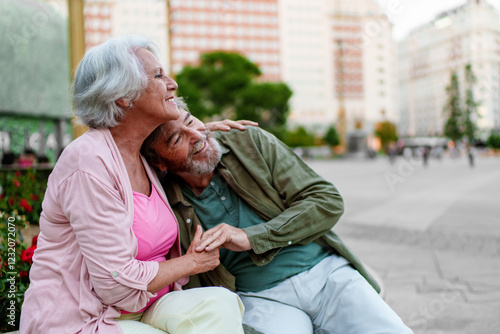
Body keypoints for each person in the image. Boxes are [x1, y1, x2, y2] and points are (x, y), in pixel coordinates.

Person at [20, 36, 245, 334]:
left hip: (145, 308)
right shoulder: (87, 161)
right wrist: (191, 263)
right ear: (122, 97)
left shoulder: (140, 157)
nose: (173, 83)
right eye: (158, 75)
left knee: (219, 303)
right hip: (85, 319)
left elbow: (177, 149)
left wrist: (201, 131)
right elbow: (115, 283)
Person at [141, 102, 414, 334]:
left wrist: (251, 237)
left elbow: (326, 200)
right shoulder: (161, 198)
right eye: (177, 139)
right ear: (159, 163)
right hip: (260, 298)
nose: (196, 135)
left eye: (192, 121)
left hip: (325, 274)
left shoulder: (248, 142)